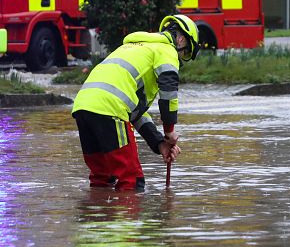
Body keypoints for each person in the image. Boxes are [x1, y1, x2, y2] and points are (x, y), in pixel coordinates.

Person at [71, 14, 200, 191]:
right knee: (131, 181)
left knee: (102, 179)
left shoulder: (133, 47)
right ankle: (127, 217)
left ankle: (96, 214)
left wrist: (159, 143)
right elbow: (169, 91)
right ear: (180, 38)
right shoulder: (167, 49)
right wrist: (169, 132)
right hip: (111, 109)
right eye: (185, 52)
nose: (181, 58)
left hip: (83, 107)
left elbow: (135, 112)